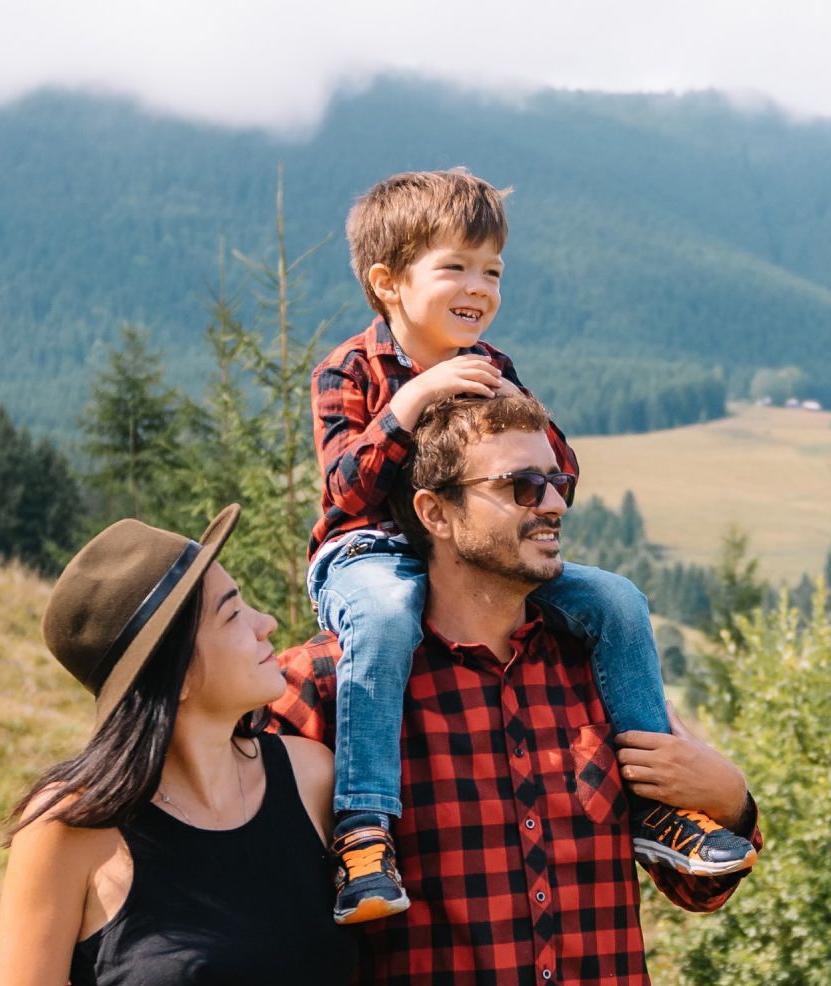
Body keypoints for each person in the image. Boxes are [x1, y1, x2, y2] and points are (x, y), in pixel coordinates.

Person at [46, 392, 762, 986]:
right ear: (437, 512)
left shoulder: (600, 670)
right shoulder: (329, 689)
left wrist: (734, 806)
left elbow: (690, 884)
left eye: (559, 480)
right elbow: (184, 880)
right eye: (522, 486)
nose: (553, 502)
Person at [307, 168, 755, 925]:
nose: (478, 285)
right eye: (455, 266)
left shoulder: (497, 370)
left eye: (493, 270)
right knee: (385, 619)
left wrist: (522, 458)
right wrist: (411, 404)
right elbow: (345, 492)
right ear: (386, 282)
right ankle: (364, 829)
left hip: (481, 564)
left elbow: (556, 468)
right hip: (369, 555)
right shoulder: (352, 370)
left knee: (617, 599)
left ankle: (657, 809)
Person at [0, 507, 356, 986]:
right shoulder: (73, 827)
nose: (265, 626)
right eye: (233, 613)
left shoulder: (310, 780)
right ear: (177, 675)